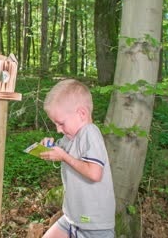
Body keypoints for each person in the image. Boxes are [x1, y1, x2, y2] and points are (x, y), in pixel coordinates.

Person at [39, 79, 115, 238]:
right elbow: (60, 151)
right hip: (72, 219)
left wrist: (64, 157)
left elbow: (95, 173)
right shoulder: (70, 137)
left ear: (81, 113)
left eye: (61, 123)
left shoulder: (90, 133)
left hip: (94, 225)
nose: (58, 130)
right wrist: (49, 147)